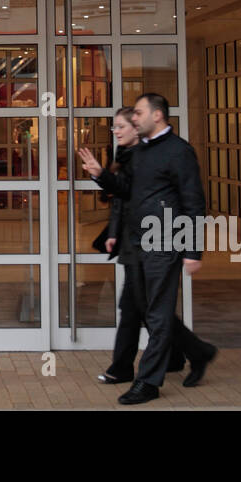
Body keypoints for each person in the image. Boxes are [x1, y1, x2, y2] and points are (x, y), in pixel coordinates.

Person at [106, 93, 218, 404]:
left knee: (157, 313)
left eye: (139, 113)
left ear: (157, 116)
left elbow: (194, 203)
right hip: (138, 243)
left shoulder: (179, 152)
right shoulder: (141, 151)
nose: (135, 118)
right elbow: (127, 192)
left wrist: (193, 251)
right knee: (147, 310)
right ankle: (199, 352)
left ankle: (149, 382)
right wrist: (101, 176)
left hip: (165, 242)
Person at [78, 107, 185, 385]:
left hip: (150, 242)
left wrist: (102, 174)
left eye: (121, 126)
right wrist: (114, 230)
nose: (115, 131)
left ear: (137, 128)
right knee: (138, 307)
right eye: (114, 127)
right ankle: (178, 355)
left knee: (140, 307)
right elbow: (119, 200)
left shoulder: (149, 158)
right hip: (131, 242)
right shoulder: (126, 155)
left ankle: (132, 367)